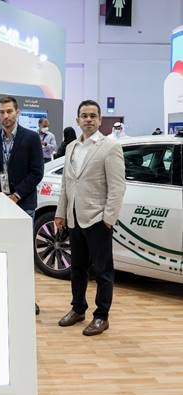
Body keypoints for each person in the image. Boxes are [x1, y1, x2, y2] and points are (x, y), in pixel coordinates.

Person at [55, 99, 126, 336]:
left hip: (97, 219)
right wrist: (61, 212)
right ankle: (78, 308)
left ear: (99, 119)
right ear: (77, 120)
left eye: (93, 116)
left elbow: (117, 187)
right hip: (74, 217)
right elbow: (67, 183)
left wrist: (108, 218)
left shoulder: (110, 147)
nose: (88, 119)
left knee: (103, 271)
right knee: (77, 268)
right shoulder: (71, 147)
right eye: (84, 116)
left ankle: (101, 316)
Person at [0, 96, 44, 315]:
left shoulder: (31, 138)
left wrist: (16, 195)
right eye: (2, 112)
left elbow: (37, 172)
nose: (5, 116)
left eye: (9, 111)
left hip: (24, 204)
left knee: (23, 254)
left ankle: (26, 298)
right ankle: (2, 295)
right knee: (1, 251)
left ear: (17, 113)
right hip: (0, 205)